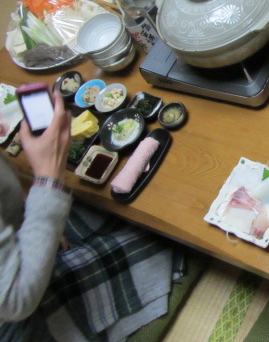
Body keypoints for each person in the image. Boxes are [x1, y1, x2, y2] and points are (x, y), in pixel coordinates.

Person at [1, 90, 177, 341]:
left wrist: (33, 220)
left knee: (99, 216)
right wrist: (48, 177)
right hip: (16, 312)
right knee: (155, 242)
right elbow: (16, 299)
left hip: (16, 243)